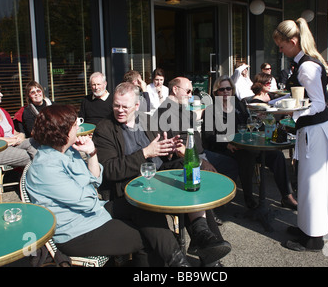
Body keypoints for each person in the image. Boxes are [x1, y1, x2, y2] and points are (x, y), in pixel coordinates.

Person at [26, 104, 190, 267]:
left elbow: (96, 180)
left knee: (145, 207)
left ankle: (180, 264)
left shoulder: (70, 151)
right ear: (62, 131)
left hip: (96, 211)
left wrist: (92, 154)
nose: (79, 128)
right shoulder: (45, 168)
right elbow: (88, 201)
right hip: (76, 231)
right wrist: (89, 185)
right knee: (149, 237)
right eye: (75, 125)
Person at [93, 82, 232, 266]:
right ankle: (198, 254)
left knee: (192, 168)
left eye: (124, 106)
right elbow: (110, 170)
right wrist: (145, 153)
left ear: (136, 106)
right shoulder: (105, 129)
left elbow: (160, 150)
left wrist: (171, 147)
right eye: (116, 105)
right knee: (149, 205)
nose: (119, 110)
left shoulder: (146, 120)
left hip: (156, 173)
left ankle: (203, 235)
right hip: (132, 185)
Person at [273, 18, 328, 252]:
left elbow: (318, 103)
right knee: (307, 182)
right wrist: (273, 102)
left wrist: (289, 110)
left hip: (316, 131)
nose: (280, 50)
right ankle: (306, 227)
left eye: (281, 46)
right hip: (312, 130)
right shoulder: (304, 63)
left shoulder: (307, 66)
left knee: (315, 184)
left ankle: (315, 239)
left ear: (293, 41)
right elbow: (302, 97)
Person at [202, 75, 297, 210]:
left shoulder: (239, 105)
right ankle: (249, 199)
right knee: (247, 157)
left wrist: (258, 119)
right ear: (216, 92)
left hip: (246, 144)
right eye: (222, 89)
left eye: (228, 88)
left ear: (232, 90)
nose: (225, 92)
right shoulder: (211, 110)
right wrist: (227, 143)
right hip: (226, 148)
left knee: (277, 156)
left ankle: (287, 196)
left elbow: (247, 124)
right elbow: (209, 136)